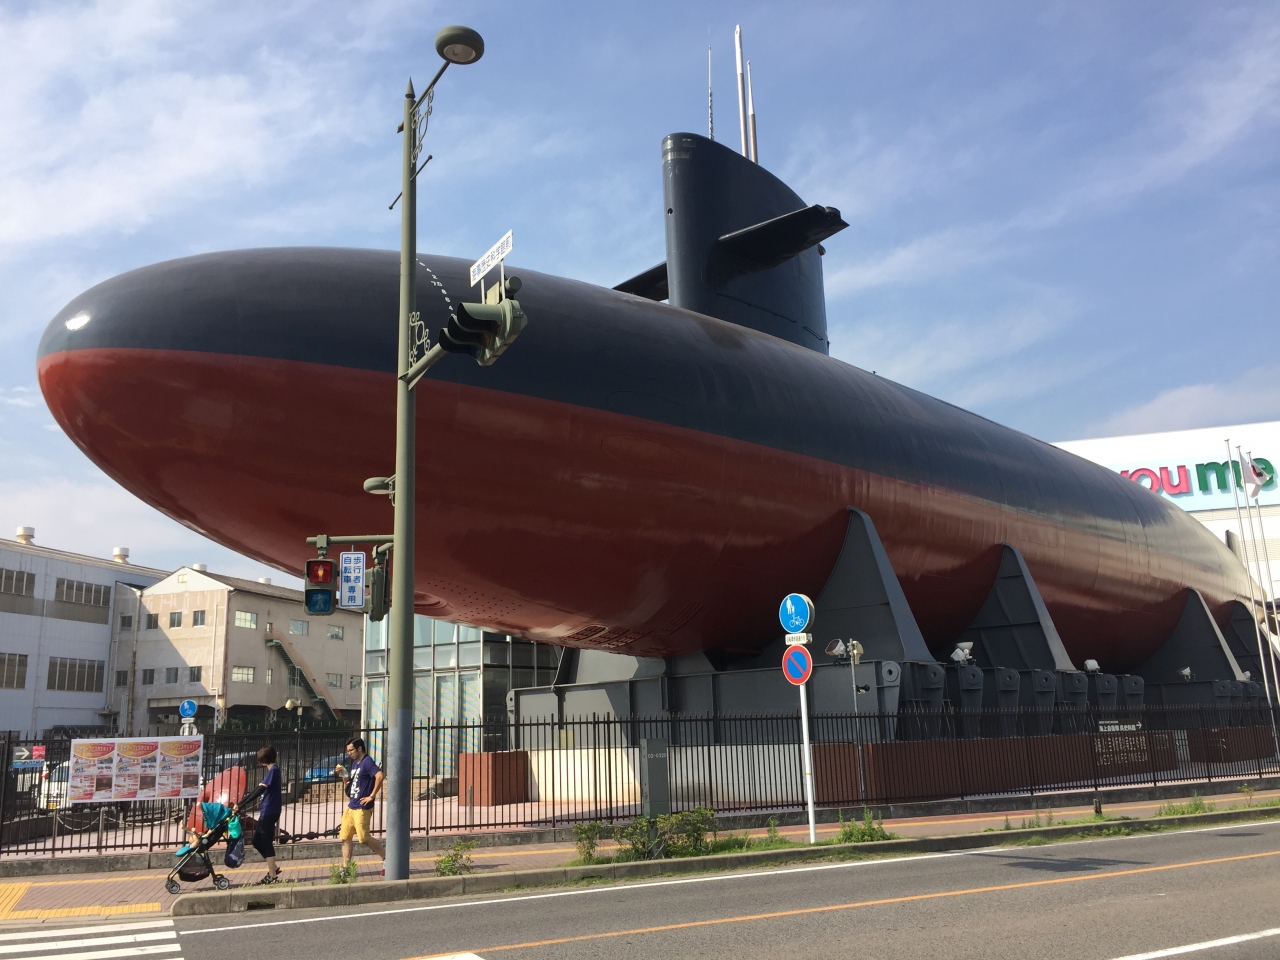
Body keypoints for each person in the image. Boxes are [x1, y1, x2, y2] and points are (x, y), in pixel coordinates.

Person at [335, 736, 385, 875]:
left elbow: (380, 776)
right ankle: (346, 868)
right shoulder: (355, 763)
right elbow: (350, 784)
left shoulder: (367, 762)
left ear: (359, 748)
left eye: (351, 750)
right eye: (348, 751)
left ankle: (387, 858)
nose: (349, 753)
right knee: (345, 837)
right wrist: (343, 775)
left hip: (362, 807)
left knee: (364, 838)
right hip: (351, 806)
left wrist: (372, 795)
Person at [252, 745, 283, 884]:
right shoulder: (271, 770)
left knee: (265, 841)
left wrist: (241, 804)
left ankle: (272, 876)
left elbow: (260, 790)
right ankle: (274, 867)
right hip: (267, 810)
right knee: (256, 841)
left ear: (263, 760)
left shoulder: (274, 770)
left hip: (270, 810)